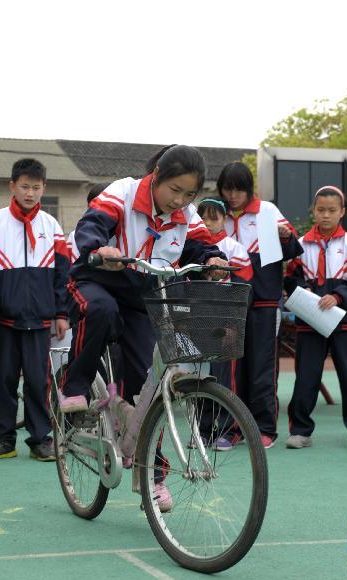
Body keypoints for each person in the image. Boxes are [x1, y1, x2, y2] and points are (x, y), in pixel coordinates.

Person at [61, 144, 227, 512]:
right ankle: (74, 386)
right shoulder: (121, 192)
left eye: (189, 194)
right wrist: (99, 248)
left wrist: (215, 259)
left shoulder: (187, 213)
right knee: (100, 312)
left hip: (142, 297)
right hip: (99, 280)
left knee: (149, 385)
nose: (179, 200)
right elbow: (92, 224)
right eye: (174, 190)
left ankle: (153, 476)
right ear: (156, 178)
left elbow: (201, 246)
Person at [0, 158, 71, 462]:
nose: (30, 193)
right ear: (12, 186)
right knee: (3, 379)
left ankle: (40, 438)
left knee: (37, 379)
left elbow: (62, 274)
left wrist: (61, 313)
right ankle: (3, 439)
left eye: (35, 187)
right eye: (24, 186)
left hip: (40, 319)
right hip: (4, 318)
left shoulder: (52, 226)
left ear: (43, 188)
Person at [218, 162, 303, 448]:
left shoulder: (267, 211)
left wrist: (286, 236)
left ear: (249, 189)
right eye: (227, 189)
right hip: (229, 301)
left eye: (238, 189)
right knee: (229, 368)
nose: (232, 195)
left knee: (262, 367)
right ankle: (229, 429)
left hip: (264, 302)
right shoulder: (216, 214)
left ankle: (264, 428)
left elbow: (292, 250)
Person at [283, 186, 347, 450]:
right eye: (321, 210)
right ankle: (300, 430)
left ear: (342, 212)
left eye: (332, 210)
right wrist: (303, 291)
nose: (325, 215)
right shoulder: (300, 245)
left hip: (345, 322)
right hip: (310, 322)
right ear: (313, 210)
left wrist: (337, 296)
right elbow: (291, 278)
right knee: (306, 376)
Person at [196, 197, 253, 391]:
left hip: (224, 320)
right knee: (199, 376)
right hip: (199, 319)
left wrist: (232, 324)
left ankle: (227, 421)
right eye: (202, 218)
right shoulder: (192, 248)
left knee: (224, 376)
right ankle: (203, 422)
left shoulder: (235, 248)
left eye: (214, 218)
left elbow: (242, 289)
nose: (208, 223)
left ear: (224, 220)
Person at [67, 182, 110, 264]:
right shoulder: (75, 235)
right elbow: (70, 267)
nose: (102, 212)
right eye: (97, 206)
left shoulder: (127, 235)